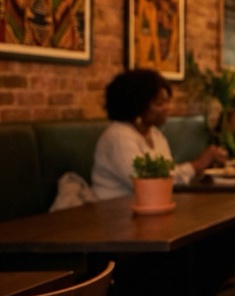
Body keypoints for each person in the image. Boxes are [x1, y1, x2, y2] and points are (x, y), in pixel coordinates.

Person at [92, 69, 226, 200]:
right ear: (137, 104)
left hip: (148, 208)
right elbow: (147, 184)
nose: (168, 108)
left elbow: (168, 173)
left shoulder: (155, 134)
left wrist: (202, 168)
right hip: (114, 213)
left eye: (167, 101)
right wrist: (196, 165)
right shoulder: (118, 137)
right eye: (159, 103)